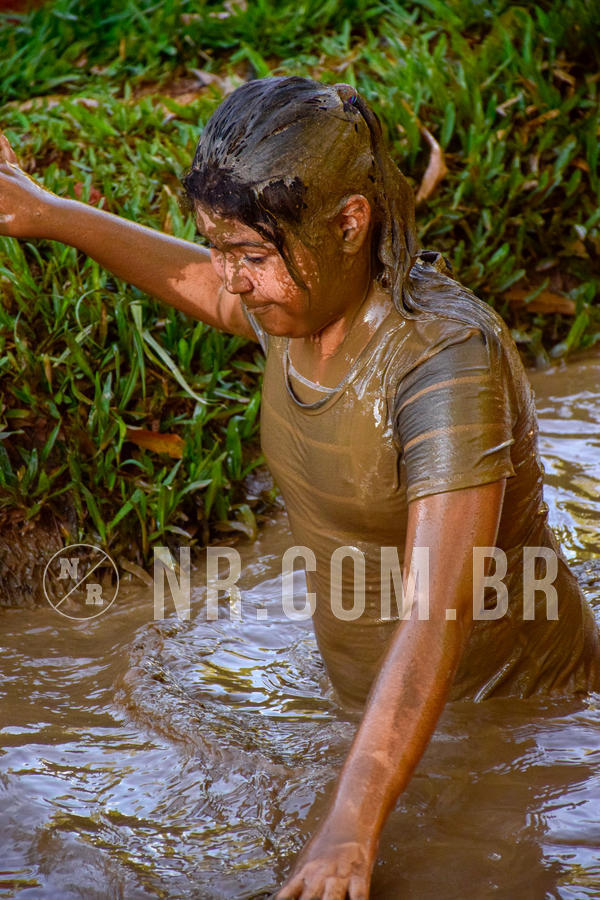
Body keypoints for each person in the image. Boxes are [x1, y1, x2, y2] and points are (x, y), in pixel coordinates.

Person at [0, 76, 598, 899]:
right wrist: (47, 210)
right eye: (219, 246)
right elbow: (212, 289)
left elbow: (436, 612)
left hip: (514, 726)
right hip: (384, 713)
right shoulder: (299, 302)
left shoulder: (443, 364)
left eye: (250, 254)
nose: (233, 279)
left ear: (351, 222)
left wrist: (350, 827)